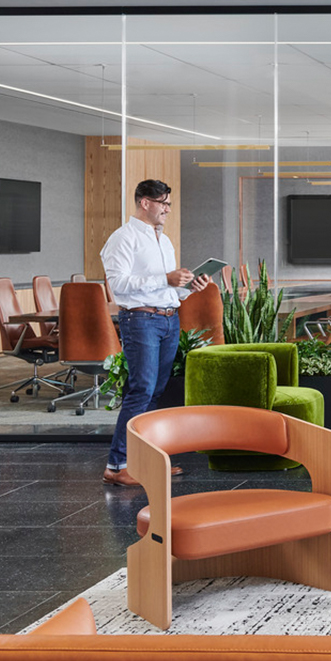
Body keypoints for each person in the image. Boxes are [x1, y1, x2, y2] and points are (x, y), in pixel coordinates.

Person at [100, 179, 212, 486]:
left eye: (169, 204)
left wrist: (189, 288)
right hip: (141, 321)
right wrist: (165, 277)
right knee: (140, 391)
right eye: (162, 203)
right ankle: (117, 464)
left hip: (167, 319)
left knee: (154, 394)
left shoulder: (164, 240)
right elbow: (119, 285)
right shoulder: (122, 239)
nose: (167, 209)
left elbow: (168, 291)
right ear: (144, 202)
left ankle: (143, 462)